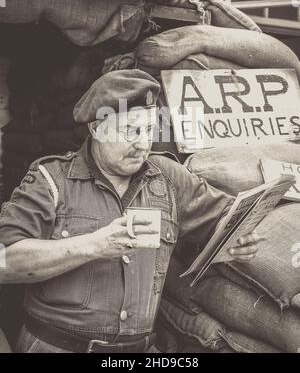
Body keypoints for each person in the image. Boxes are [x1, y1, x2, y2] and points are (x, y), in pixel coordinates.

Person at [0, 70, 260, 353]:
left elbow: (224, 218)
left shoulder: (169, 178)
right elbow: (6, 263)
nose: (143, 144)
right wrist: (93, 245)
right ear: (97, 128)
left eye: (149, 130)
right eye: (131, 131)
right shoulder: (50, 180)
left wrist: (236, 239)